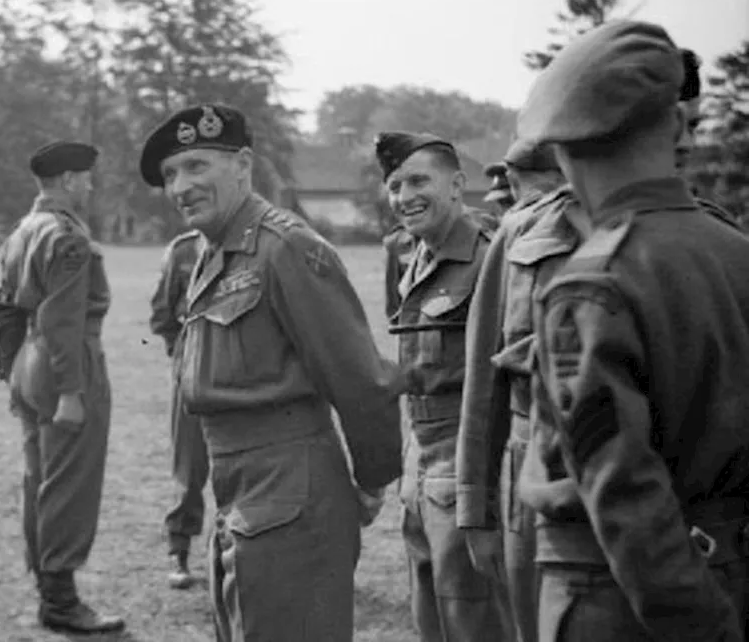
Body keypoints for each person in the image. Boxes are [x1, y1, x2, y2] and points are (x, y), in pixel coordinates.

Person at [516, 19, 749, 641]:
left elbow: (624, 496)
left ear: (563, 151)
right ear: (676, 129)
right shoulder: (736, 252)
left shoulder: (591, 286)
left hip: (628, 605)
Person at [140, 103, 402, 641]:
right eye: (170, 175)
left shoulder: (284, 247)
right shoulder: (214, 256)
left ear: (241, 164)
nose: (181, 186)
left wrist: (372, 482)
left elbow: (361, 380)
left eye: (196, 166)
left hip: (290, 487)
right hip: (238, 486)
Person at [0, 140, 124, 634]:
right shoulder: (67, 237)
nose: (89, 186)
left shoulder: (24, 230)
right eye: (85, 178)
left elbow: (4, 306)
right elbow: (64, 320)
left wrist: (11, 369)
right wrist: (70, 391)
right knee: (69, 485)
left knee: (39, 480)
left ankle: (50, 593)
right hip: (68, 363)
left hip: (30, 359)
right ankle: (62, 602)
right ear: (68, 180)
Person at [377, 130, 509, 642]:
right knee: (429, 618)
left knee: (476, 622)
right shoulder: (416, 257)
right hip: (421, 468)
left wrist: (409, 377)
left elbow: (502, 370)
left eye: (417, 181)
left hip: (468, 465)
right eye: (394, 185)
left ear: (456, 185)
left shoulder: (488, 255)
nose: (404, 196)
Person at [455, 139, 568, 642]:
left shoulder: (709, 237)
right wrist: (475, 507)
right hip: (536, 486)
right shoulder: (521, 231)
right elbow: (484, 383)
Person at [148, 228, 205, 589]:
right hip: (193, 366)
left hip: (246, 369)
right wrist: (182, 354)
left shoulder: (260, 244)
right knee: (189, 465)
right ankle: (179, 551)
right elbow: (162, 312)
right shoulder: (183, 250)